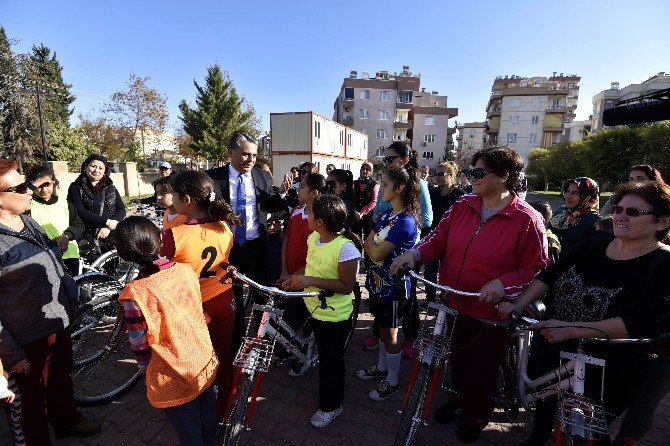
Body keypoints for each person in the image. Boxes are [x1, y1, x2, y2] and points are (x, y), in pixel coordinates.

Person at [390, 146, 549, 443]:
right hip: (454, 302)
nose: (470, 177)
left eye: (478, 172)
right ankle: (461, 399)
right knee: (459, 361)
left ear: (504, 176)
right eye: (470, 171)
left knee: (483, 368)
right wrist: (414, 254)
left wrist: (503, 284)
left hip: (491, 312)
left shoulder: (527, 219)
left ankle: (477, 414)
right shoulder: (463, 204)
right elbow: (438, 237)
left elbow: (537, 268)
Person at [499, 180, 670, 446]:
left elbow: (643, 322)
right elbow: (551, 274)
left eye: (633, 212)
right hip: (554, 342)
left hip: (611, 364)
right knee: (546, 403)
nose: (620, 216)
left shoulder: (663, 262)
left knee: (590, 426)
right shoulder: (597, 239)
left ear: (662, 222)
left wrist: (574, 329)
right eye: (617, 209)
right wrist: (519, 304)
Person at [0, 159, 100, 444]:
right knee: (30, 403)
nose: (29, 191)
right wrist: (9, 352)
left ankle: (67, 421)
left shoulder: (27, 221)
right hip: (24, 338)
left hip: (56, 321)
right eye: (20, 187)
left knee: (60, 378)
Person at [117, 216, 219, 446]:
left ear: (124, 253)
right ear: (159, 242)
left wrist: (147, 374)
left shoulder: (135, 293)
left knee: (189, 433)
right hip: (204, 360)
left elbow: (140, 346)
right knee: (207, 423)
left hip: (172, 374)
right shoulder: (185, 270)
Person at [160, 170, 240, 423]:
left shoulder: (174, 234)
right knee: (224, 356)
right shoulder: (224, 226)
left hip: (193, 306)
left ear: (187, 200)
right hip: (225, 299)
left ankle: (198, 412)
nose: (170, 198)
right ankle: (223, 411)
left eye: (173, 194)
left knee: (195, 361)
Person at [281, 194, 360, 428]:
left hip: (333, 316)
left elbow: (346, 287)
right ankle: (304, 357)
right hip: (311, 304)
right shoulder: (314, 237)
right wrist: (295, 277)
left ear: (321, 222)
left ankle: (332, 405)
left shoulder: (346, 248)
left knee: (330, 363)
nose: (307, 215)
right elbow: (311, 263)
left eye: (311, 213)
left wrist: (309, 280)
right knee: (293, 327)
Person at [206, 131, 289, 353]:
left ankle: (263, 341)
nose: (250, 159)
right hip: (227, 249)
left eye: (253, 155)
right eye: (245, 154)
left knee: (261, 295)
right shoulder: (213, 178)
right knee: (231, 300)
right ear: (230, 152)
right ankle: (235, 344)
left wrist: (280, 195)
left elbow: (270, 205)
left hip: (255, 246)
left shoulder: (262, 176)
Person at [357, 167, 421, 401]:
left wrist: (373, 248)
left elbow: (376, 253)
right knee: (383, 330)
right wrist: (373, 248)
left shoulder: (405, 221)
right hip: (378, 283)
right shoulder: (387, 215)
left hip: (394, 288)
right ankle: (382, 369)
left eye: (385, 185)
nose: (381, 188)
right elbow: (367, 243)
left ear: (400, 189)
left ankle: (392, 381)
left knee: (391, 334)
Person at [369, 141, 432, 358]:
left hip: (400, 249)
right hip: (384, 234)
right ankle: (381, 339)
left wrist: (401, 225)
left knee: (405, 299)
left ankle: (409, 337)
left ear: (405, 159)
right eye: (384, 159)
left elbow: (426, 218)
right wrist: (384, 217)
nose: (386, 163)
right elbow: (378, 212)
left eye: (390, 159)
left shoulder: (416, 184)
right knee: (381, 305)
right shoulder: (387, 185)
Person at [25, 164, 85, 276]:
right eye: (39, 186)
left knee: (71, 289)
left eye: (47, 184)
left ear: (54, 182)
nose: (44, 190)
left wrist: (66, 236)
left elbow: (78, 226)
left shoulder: (65, 203)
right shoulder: (28, 205)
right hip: (42, 256)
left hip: (69, 255)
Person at [423, 161, 464, 307]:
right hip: (433, 239)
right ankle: (430, 298)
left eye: (441, 174)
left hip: (451, 241)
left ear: (451, 176)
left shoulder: (460, 196)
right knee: (429, 271)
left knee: (448, 273)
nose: (437, 177)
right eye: (435, 174)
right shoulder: (431, 193)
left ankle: (447, 300)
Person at [67, 154, 125, 253]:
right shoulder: (75, 187)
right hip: (88, 237)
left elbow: (121, 209)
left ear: (105, 171)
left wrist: (107, 227)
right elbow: (80, 212)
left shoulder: (111, 188)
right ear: (85, 167)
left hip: (110, 236)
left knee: (113, 266)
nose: (96, 170)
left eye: (100, 168)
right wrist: (107, 222)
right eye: (93, 166)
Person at [547, 177, 601, 255]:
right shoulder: (560, 212)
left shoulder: (595, 221)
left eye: (575, 193)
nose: (568, 196)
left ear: (587, 196)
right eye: (567, 191)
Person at [601, 164, 665, 217]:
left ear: (652, 180)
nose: (634, 182)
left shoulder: (661, 199)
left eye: (640, 178)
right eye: (631, 179)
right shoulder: (616, 198)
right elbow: (602, 218)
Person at [353, 162, 379, 272]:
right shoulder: (354, 183)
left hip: (368, 217)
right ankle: (355, 264)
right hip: (355, 217)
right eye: (363, 168)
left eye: (368, 169)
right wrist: (354, 211)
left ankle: (368, 266)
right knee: (355, 240)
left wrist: (363, 212)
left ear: (371, 171)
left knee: (368, 241)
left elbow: (374, 201)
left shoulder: (374, 184)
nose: (365, 171)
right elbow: (351, 197)